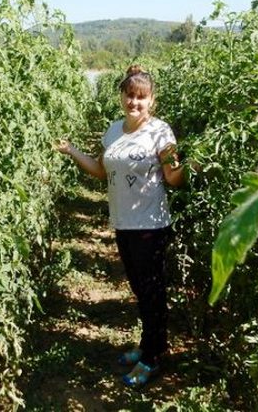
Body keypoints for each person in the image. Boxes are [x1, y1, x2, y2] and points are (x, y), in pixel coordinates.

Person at [55, 64, 185, 387]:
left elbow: (173, 177)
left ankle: (154, 358)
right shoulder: (113, 131)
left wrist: (190, 166)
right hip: (123, 223)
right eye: (130, 96)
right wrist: (72, 151)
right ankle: (146, 346)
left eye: (141, 98)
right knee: (140, 290)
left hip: (150, 224)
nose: (134, 103)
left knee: (152, 292)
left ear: (151, 100)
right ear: (121, 97)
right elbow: (101, 170)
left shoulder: (160, 132)